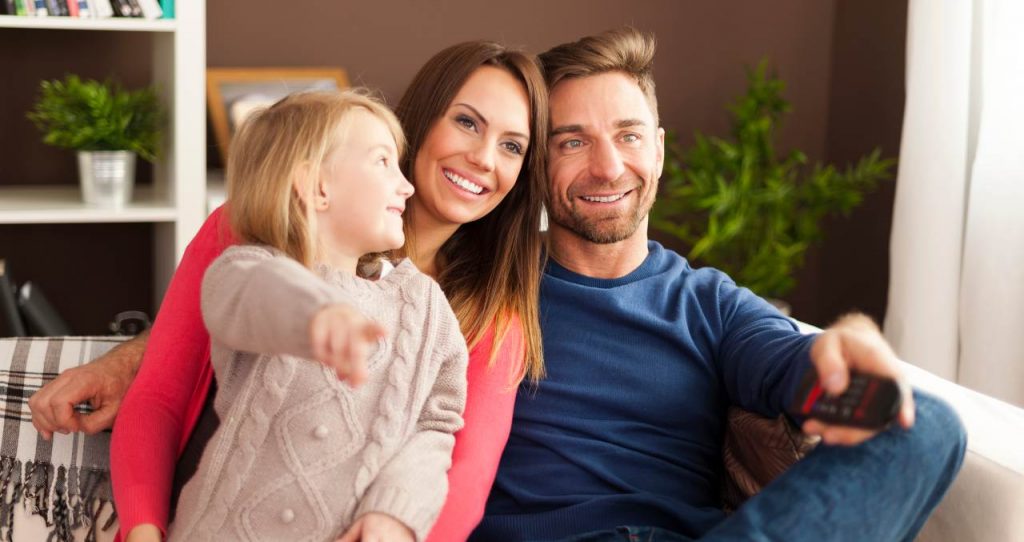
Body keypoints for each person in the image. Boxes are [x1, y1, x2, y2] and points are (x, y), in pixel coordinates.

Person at [30, 41, 548, 542]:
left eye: (511, 146)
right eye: (466, 121)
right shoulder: (245, 233)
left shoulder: (487, 319)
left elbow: (459, 472)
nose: (483, 157)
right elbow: (173, 379)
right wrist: (143, 525)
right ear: (423, 118)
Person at [470, 28, 967, 541]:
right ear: (536, 163)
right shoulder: (479, 283)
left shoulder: (710, 304)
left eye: (629, 136)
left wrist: (847, 348)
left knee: (926, 425)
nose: (609, 167)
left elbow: (797, 368)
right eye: (572, 142)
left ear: (658, 151)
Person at [165, 89, 468, 541]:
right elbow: (254, 297)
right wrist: (316, 315)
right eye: (384, 161)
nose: (406, 186)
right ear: (316, 186)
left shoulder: (425, 307)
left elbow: (436, 424)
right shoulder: (246, 269)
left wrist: (396, 514)